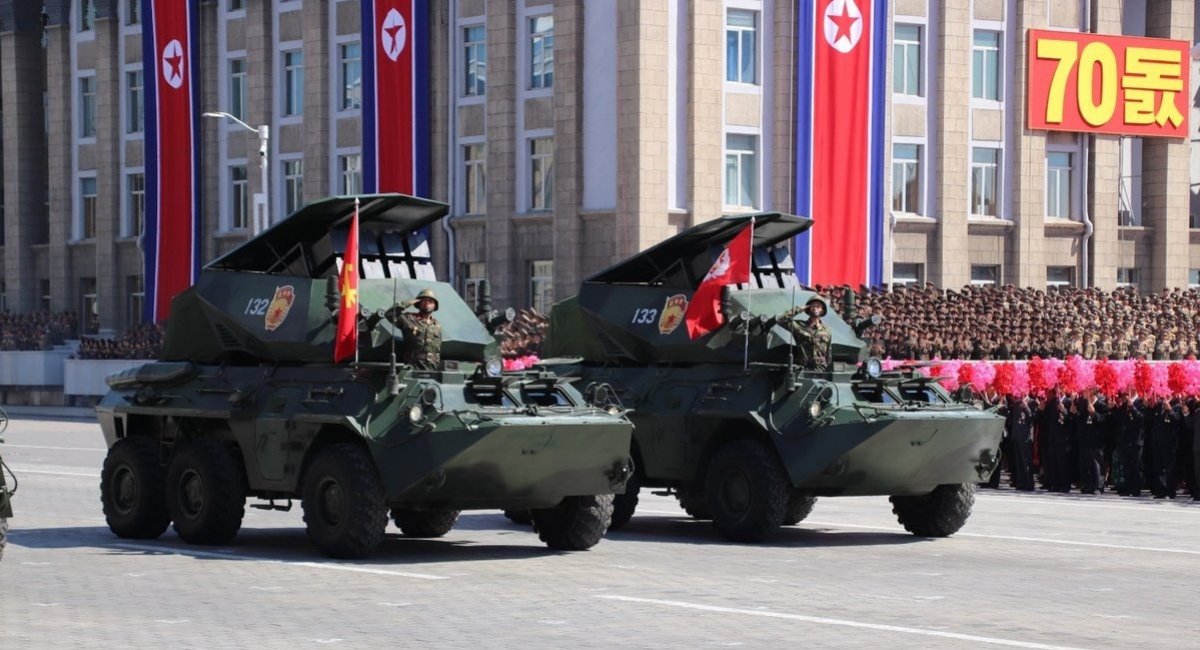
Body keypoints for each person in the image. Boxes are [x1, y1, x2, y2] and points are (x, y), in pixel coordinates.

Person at [387, 289, 443, 370]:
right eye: (423, 300)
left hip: (433, 367)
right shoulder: (409, 319)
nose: (427, 303)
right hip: (413, 366)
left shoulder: (437, 325)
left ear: (434, 305)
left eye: (430, 301)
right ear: (418, 303)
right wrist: (408, 303)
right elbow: (389, 314)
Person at [778, 297, 832, 370]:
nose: (815, 308)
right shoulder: (799, 326)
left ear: (822, 310)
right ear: (809, 308)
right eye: (813, 306)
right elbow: (781, 320)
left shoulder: (826, 330)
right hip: (804, 368)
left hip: (821, 369)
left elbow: (829, 352)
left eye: (818, 306)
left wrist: (828, 369)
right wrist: (799, 309)